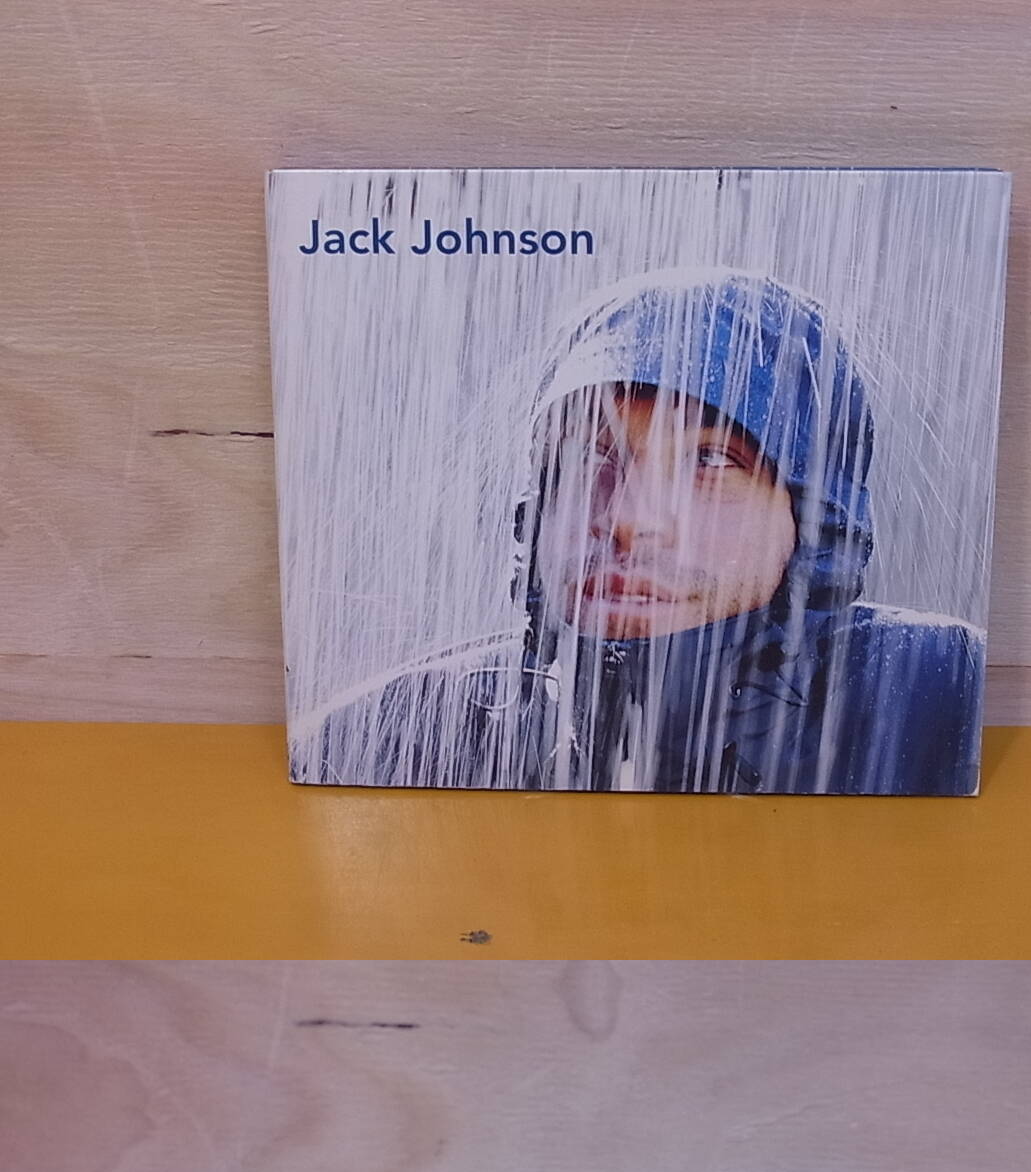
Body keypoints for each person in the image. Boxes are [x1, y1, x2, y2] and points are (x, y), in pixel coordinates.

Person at [296, 271, 985, 795]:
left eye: (712, 461)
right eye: (588, 455)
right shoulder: (393, 741)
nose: (630, 518)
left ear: (814, 523)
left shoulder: (939, 705)